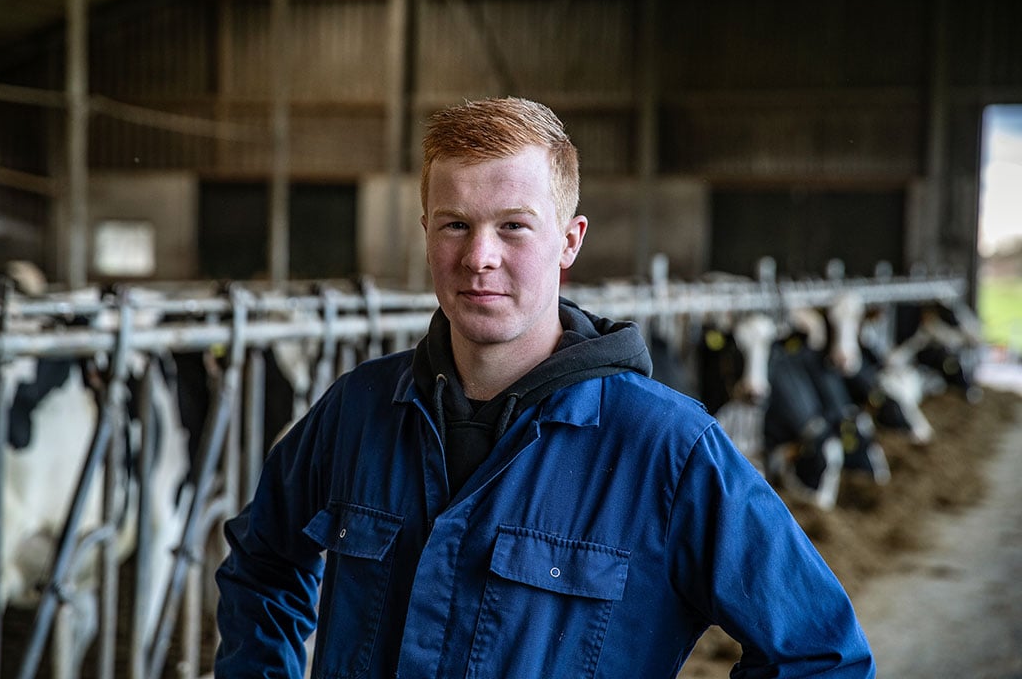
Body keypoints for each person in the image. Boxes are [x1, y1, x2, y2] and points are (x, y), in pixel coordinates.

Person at [214, 97, 876, 678]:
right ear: (425, 235)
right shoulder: (358, 410)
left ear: (569, 240)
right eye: (455, 224)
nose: (479, 257)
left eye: (513, 225)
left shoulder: (667, 451)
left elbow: (820, 655)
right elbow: (263, 565)